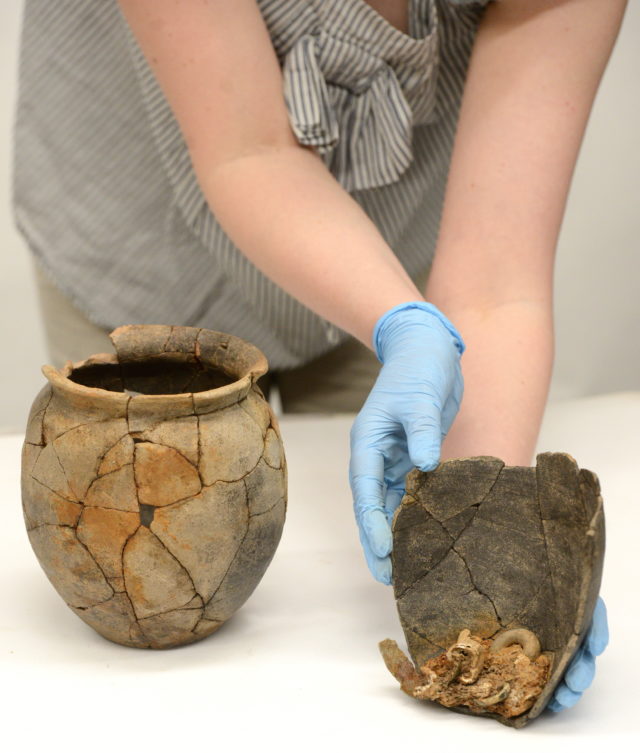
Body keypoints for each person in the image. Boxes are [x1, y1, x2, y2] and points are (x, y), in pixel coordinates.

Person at [13, 0, 621, 713]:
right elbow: (250, 148)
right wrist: (402, 322)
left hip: (384, 261)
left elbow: (493, 284)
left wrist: (489, 545)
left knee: (394, 487)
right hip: (140, 239)